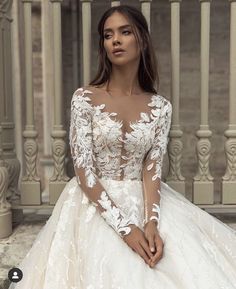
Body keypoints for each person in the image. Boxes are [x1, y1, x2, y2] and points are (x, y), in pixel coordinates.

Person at [9, 4, 236, 289]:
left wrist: (151, 222)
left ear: (141, 39)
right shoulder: (85, 98)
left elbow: (151, 169)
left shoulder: (160, 107)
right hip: (92, 203)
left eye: (124, 32)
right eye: (108, 35)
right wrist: (125, 228)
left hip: (144, 198)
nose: (115, 40)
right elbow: (83, 168)